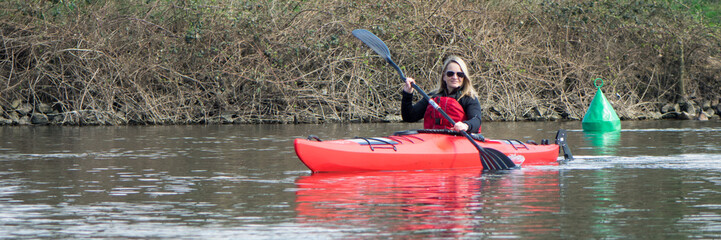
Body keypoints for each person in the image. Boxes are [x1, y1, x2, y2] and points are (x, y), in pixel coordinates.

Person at [401, 55, 482, 133]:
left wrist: (465, 125)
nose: (455, 77)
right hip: (433, 141)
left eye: (460, 74)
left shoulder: (469, 98)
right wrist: (407, 93)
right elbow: (409, 117)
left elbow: (476, 120)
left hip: (457, 140)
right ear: (444, 76)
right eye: (450, 74)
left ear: (464, 78)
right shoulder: (433, 97)